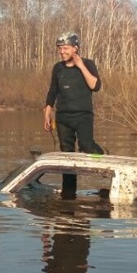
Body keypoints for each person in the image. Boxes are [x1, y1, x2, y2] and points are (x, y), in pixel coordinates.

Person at [43, 31, 103, 198]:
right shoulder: (58, 68)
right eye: (60, 49)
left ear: (75, 48)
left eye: (66, 48)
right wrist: (47, 112)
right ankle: (69, 193)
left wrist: (81, 66)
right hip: (63, 117)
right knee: (67, 155)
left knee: (86, 146)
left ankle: (103, 159)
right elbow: (52, 91)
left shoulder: (88, 64)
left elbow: (95, 86)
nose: (62, 52)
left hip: (83, 115)